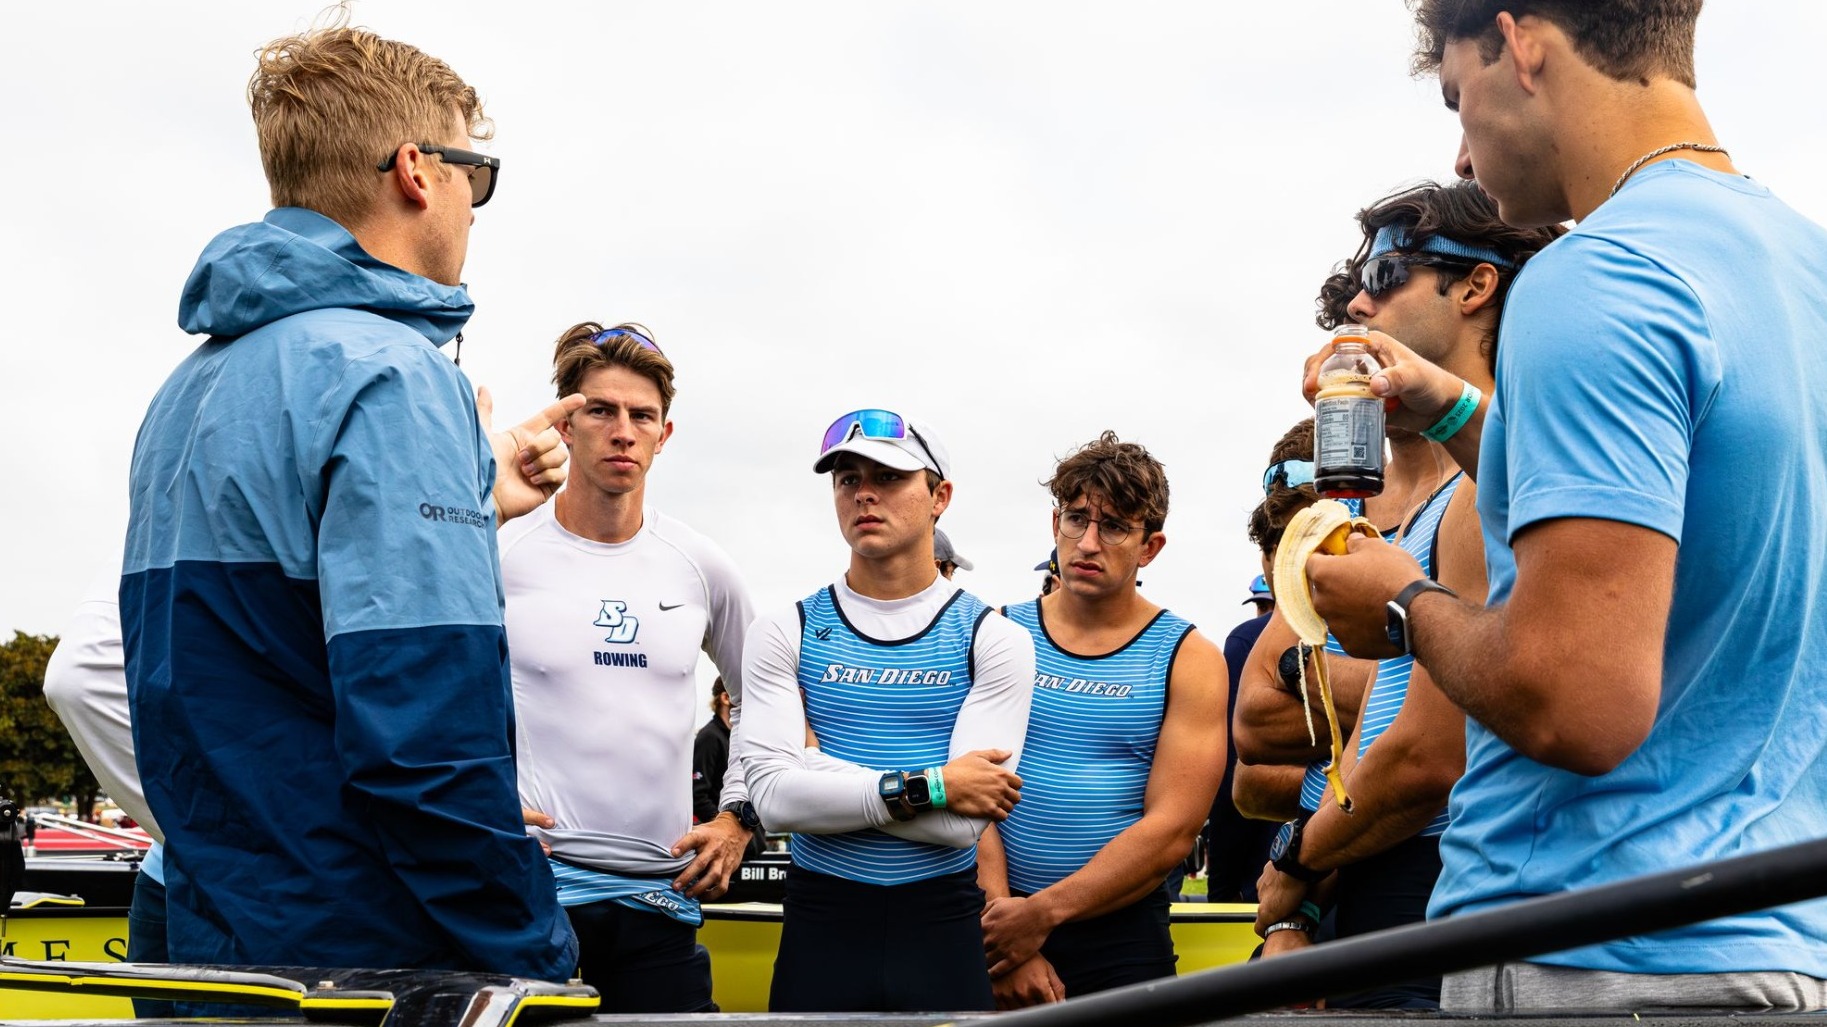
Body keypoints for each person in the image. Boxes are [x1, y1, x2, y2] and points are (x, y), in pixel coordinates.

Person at [1304, 2, 1827, 1011]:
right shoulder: (1804, 267)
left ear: (1520, 42)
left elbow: (1573, 698)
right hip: (1783, 948)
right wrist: (1452, 406)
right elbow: (1697, 506)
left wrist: (1403, 604)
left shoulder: (1593, 275)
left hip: (1587, 946)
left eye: (1457, 98)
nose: (1461, 156)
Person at [119, 16, 579, 978]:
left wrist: (474, 494)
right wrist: (536, 954)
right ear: (417, 171)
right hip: (353, 951)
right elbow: (424, 741)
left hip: (206, 931)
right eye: (475, 176)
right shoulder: (392, 376)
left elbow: (239, 673)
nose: (474, 207)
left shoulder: (188, 387)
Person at [1250, 182, 1557, 1009]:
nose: (1358, 303)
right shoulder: (1434, 494)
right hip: (1386, 858)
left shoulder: (1481, 490)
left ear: (1474, 286)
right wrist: (1303, 895)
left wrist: (1294, 860)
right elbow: (1369, 734)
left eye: (1386, 275)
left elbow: (1426, 755)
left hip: (1439, 859)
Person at [738, 409, 1035, 1013]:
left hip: (941, 925)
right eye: (847, 479)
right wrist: (936, 785)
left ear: (939, 497)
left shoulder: (995, 638)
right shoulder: (784, 629)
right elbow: (773, 804)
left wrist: (814, 768)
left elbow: (960, 827)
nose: (864, 494)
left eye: (890, 477)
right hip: (822, 921)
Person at [505, 323, 757, 1010]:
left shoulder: (700, 564)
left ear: (663, 434)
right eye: (601, 410)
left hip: (660, 895)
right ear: (564, 424)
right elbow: (429, 695)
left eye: (641, 416)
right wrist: (477, 805)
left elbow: (765, 700)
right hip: (532, 890)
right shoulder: (501, 550)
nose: (623, 431)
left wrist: (738, 817)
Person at [978, 432, 1226, 1008]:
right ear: (1055, 524)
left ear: (1150, 547)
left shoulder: (1189, 657)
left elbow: (1173, 827)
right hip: (994, 923)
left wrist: (1042, 914)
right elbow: (968, 788)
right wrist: (1005, 925)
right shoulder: (999, 632)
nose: (1088, 542)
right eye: (1076, 519)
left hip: (1121, 936)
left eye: (1114, 526)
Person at [694, 678, 768, 860]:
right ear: (726, 698)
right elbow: (697, 794)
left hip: (748, 846)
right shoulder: (709, 737)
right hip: (723, 847)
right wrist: (728, 827)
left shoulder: (742, 738)